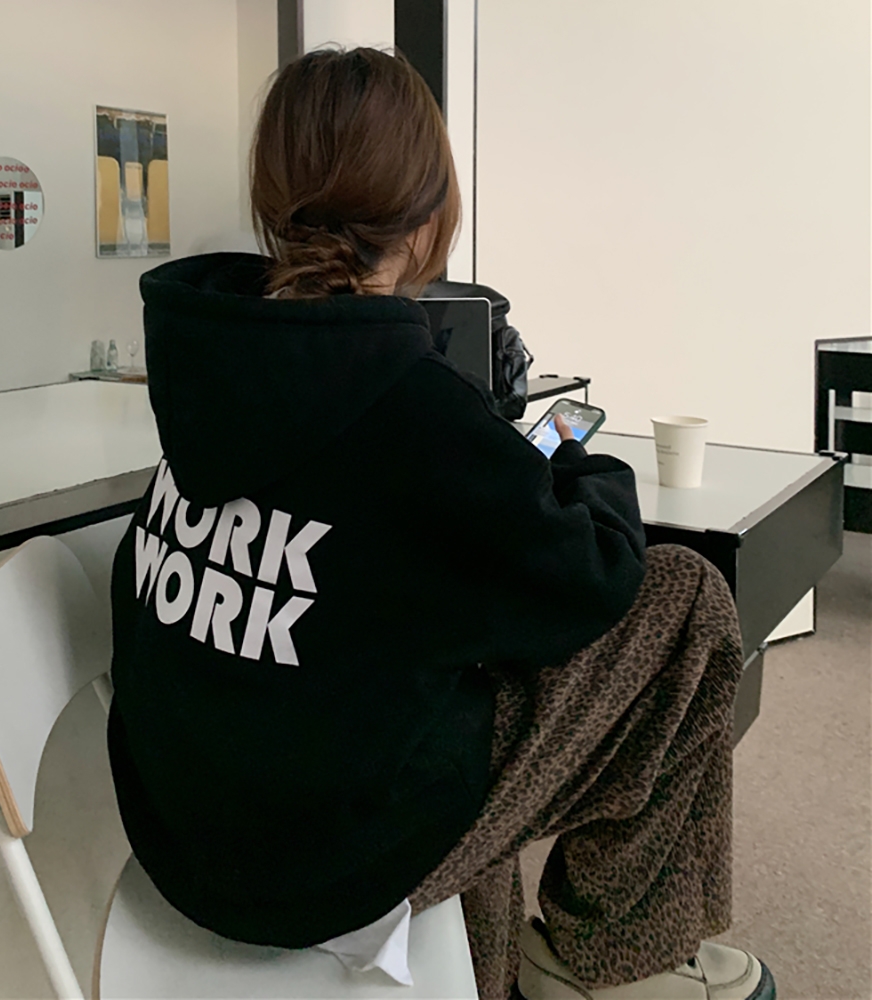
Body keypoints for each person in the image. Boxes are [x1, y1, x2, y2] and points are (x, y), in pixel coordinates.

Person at [107, 47, 775, 1000]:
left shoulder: (212, 370)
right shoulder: (414, 415)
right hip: (318, 868)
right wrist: (570, 458)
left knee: (450, 656)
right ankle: (606, 954)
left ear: (273, 201)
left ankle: (501, 972)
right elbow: (594, 577)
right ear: (428, 220)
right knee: (688, 601)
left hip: (185, 836)